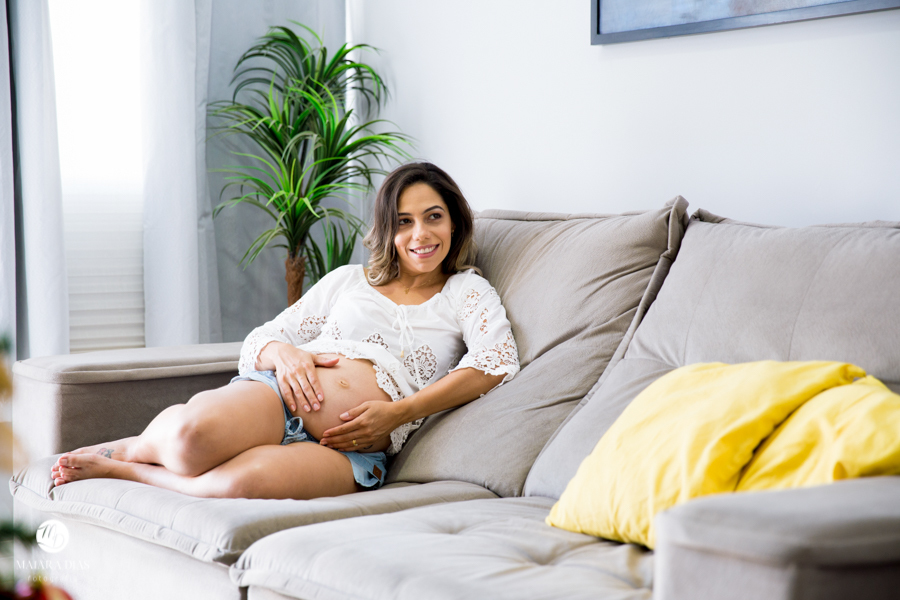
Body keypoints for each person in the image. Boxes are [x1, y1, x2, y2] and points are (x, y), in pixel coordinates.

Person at [50, 162, 520, 499]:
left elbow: (494, 363)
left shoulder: (465, 291)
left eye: (433, 216)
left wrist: (400, 413)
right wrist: (286, 355)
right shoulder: (348, 281)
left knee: (239, 486)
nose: (420, 234)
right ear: (387, 231)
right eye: (404, 222)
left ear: (454, 222)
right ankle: (136, 446)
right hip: (278, 397)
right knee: (189, 441)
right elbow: (261, 339)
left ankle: (129, 472)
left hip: (349, 451)